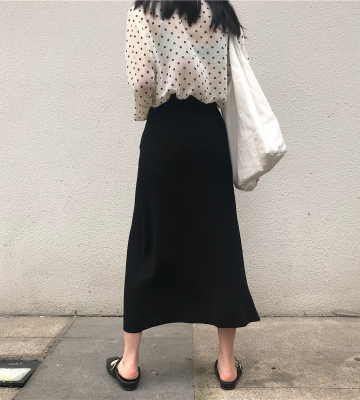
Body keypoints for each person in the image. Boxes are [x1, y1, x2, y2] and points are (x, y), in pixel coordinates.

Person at [106, 0, 261, 391]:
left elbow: (142, 80)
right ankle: (226, 364)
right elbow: (233, 74)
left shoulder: (144, 11)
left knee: (148, 239)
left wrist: (148, 109)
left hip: (165, 132)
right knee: (220, 243)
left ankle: (129, 363)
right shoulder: (219, 10)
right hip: (209, 133)